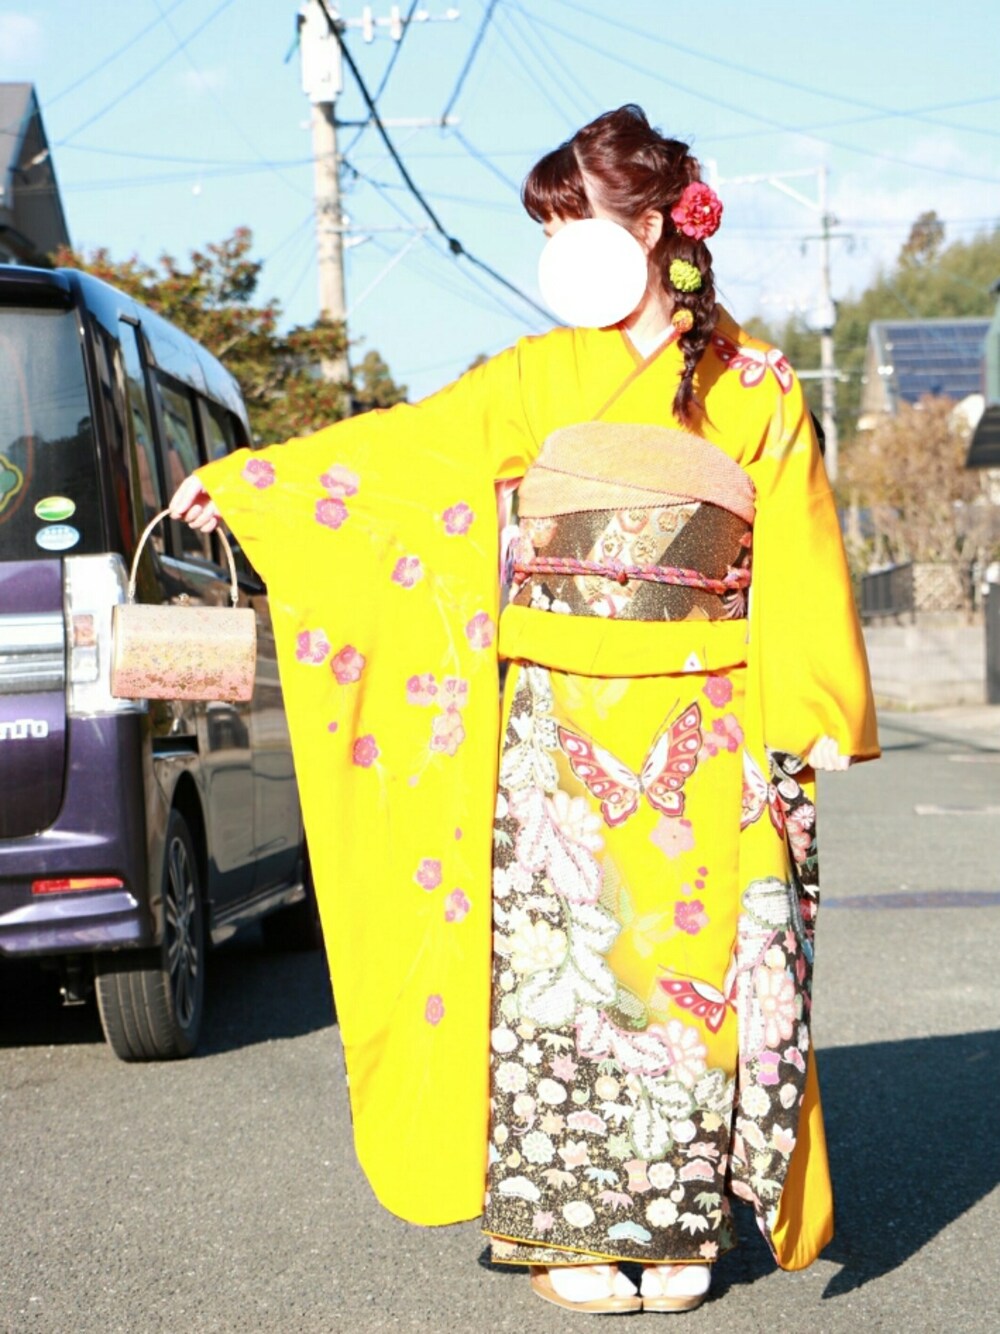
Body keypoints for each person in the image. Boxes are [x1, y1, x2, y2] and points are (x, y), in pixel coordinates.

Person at [170, 105, 878, 1315]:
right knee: (561, 979)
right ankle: (560, 1225)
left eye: (568, 223)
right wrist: (254, 486)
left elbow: (800, 548)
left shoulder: (755, 384)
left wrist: (808, 701)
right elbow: (406, 457)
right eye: (544, 229)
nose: (553, 250)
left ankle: (676, 1222)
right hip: (557, 724)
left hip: (705, 713)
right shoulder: (537, 374)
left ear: (649, 227)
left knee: (690, 976)